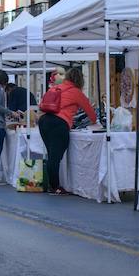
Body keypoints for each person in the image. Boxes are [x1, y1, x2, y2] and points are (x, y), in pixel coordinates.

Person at [37, 67, 97, 195]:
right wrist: (94, 122)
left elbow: (42, 104)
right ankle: (55, 187)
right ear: (80, 80)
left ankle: (52, 185)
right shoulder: (76, 92)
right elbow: (91, 113)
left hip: (44, 121)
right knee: (55, 157)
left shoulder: (55, 88)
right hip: (59, 123)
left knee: (51, 154)